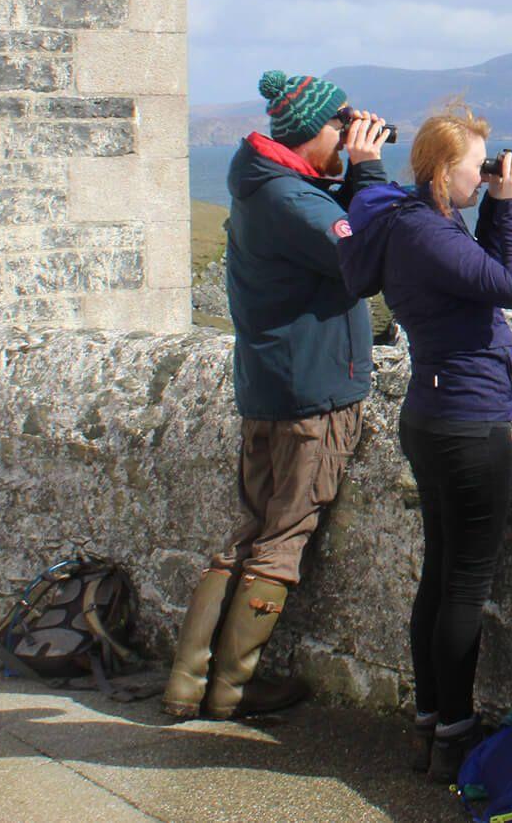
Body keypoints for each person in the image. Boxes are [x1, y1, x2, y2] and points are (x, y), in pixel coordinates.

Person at [161, 70, 392, 721]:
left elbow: (328, 221)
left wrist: (348, 173)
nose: (347, 137)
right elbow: (363, 261)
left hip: (267, 385)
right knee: (282, 539)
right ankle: (232, 690)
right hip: (312, 393)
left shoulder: (267, 184)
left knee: (249, 530)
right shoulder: (293, 202)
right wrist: (369, 174)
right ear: (316, 130)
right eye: (339, 128)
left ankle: (187, 683)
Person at [334, 104, 512, 783]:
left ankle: (432, 721)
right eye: (473, 170)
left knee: (440, 574)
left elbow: (475, 269)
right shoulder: (427, 233)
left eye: (488, 170)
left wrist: (490, 205)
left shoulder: (413, 221)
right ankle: (454, 732)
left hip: (433, 417)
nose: (484, 179)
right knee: (464, 587)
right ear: (436, 170)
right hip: (468, 425)